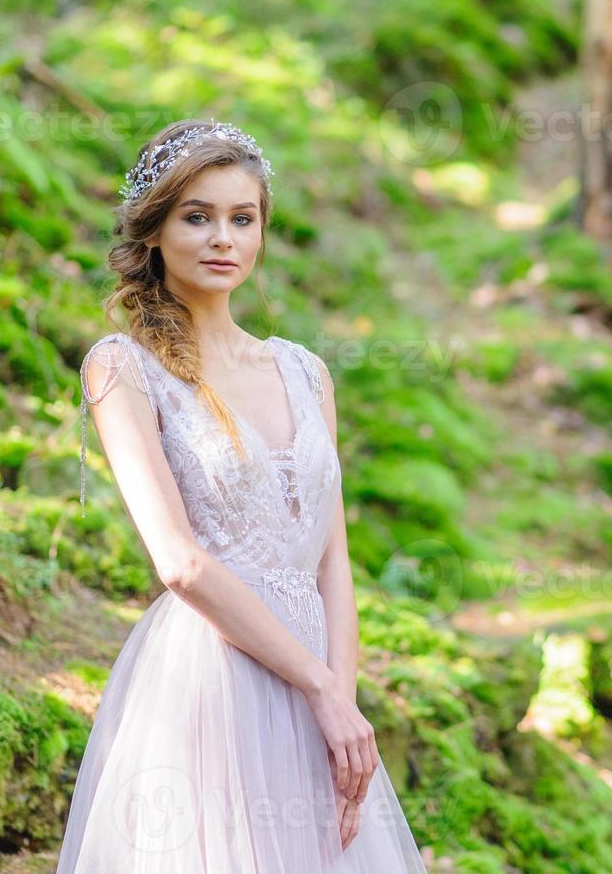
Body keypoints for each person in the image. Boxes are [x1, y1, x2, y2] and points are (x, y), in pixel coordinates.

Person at [57, 119, 428, 872]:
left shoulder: (304, 370)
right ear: (155, 229)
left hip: (319, 684)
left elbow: (333, 563)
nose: (222, 237)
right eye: (197, 216)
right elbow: (179, 563)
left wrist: (340, 704)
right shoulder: (123, 367)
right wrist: (318, 682)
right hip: (211, 677)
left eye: (241, 218)